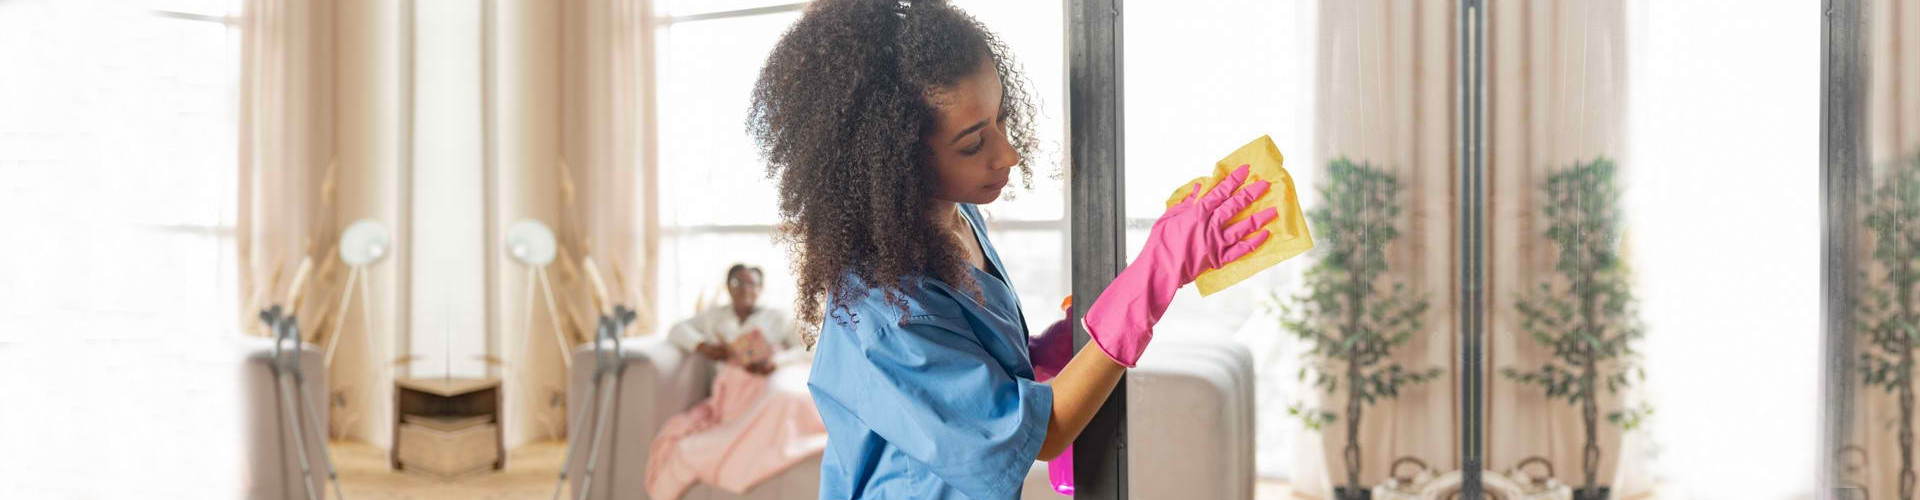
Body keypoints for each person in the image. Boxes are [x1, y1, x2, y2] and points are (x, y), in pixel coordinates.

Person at [747, 1, 1279, 498]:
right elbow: (1042, 433)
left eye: (1001, 117)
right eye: (974, 143)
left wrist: (1047, 351)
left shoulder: (957, 219)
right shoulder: (885, 313)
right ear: (895, 160)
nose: (1010, 153)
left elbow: (973, 359)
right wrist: (1153, 277)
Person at [645, 264, 825, 500]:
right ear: (728, 288)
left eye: (752, 284)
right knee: (687, 446)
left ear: (760, 288)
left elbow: (808, 349)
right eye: (738, 283)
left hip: (762, 385)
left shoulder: (776, 317)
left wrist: (775, 362)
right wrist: (703, 346)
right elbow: (678, 330)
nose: (745, 289)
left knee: (782, 401)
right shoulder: (714, 317)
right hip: (729, 393)